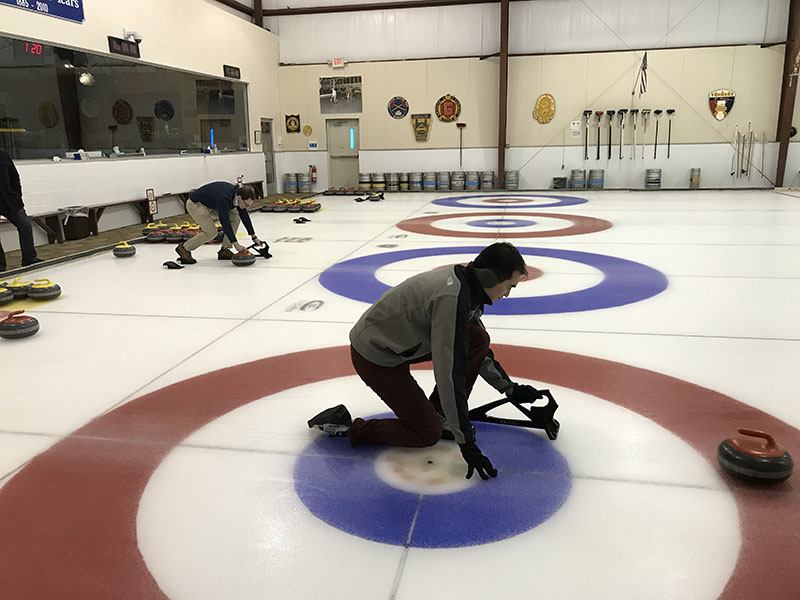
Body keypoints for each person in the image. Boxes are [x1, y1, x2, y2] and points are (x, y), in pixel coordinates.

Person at [307, 242, 542, 481]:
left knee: (477, 339)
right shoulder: (452, 299)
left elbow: (477, 352)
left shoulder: (467, 290)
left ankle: (440, 411)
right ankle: (349, 428)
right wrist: (467, 443)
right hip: (375, 356)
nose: (507, 294)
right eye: (509, 286)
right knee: (428, 433)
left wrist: (510, 389)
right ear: (490, 278)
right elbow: (450, 373)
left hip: (400, 343)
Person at [175, 181, 262, 264]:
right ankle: (184, 248)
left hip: (211, 205)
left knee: (235, 217)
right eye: (246, 204)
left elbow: (245, 216)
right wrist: (236, 244)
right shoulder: (224, 197)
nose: (246, 207)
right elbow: (225, 222)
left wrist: (254, 237)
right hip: (196, 205)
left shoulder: (239, 197)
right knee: (211, 232)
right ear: (239, 198)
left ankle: (225, 250)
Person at [0, 150, 42, 272]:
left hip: (10, 201)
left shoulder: (3, 156)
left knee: (25, 226)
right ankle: (1, 266)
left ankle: (29, 258)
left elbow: (15, 177)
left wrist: (17, 196)